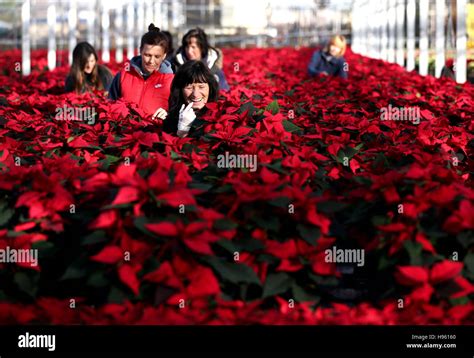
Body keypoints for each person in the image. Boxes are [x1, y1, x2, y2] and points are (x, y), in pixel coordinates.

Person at [108, 24, 174, 120]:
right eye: (147, 55)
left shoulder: (171, 81)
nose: (151, 61)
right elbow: (109, 105)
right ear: (140, 51)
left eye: (157, 56)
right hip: (123, 132)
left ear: (164, 56)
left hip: (155, 133)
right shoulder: (122, 76)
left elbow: (178, 112)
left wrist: (168, 113)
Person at [163, 60, 219, 138]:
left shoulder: (219, 115)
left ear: (210, 88)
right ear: (180, 90)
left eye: (201, 87)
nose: (195, 94)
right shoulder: (171, 120)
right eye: (189, 87)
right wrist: (181, 132)